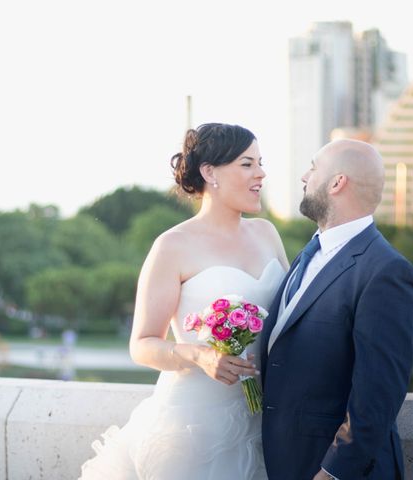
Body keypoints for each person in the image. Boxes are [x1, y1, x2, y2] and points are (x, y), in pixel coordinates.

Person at [79, 123, 288, 479]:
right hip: (194, 426)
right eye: (247, 164)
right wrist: (200, 355)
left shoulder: (266, 233)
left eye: (260, 163)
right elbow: (142, 345)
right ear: (210, 172)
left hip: (265, 420)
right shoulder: (172, 246)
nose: (261, 173)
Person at [260, 139, 413, 480]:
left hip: (334, 470)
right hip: (284, 461)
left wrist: (333, 472)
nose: (304, 176)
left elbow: (378, 394)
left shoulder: (387, 272)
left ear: (337, 183)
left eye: (313, 167)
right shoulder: (309, 252)